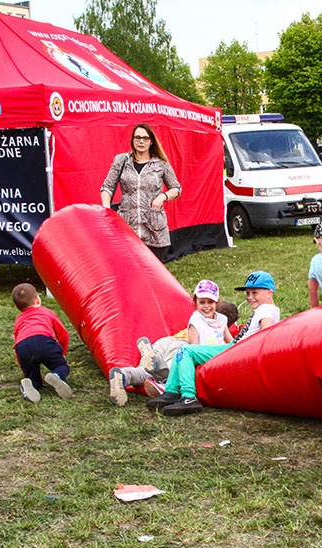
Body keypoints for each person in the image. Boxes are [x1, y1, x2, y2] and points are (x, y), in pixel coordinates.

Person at [149, 271, 281, 417]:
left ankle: (187, 396)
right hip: (237, 348)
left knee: (185, 351)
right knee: (183, 351)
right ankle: (171, 392)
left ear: (269, 293)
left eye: (254, 293)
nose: (249, 297)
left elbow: (267, 333)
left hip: (238, 351)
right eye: (248, 293)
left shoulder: (264, 309)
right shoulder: (272, 309)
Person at [107, 282, 237, 406]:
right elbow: (194, 349)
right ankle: (161, 379)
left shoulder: (207, 320)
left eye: (210, 302)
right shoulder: (200, 322)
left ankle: (123, 375)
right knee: (171, 370)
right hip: (180, 346)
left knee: (145, 370)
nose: (206, 306)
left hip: (165, 341)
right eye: (203, 302)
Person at [100, 124, 182, 262]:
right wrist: (106, 210)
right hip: (127, 226)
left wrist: (163, 196)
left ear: (151, 141)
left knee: (153, 275)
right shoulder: (121, 161)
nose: (141, 141)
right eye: (137, 137)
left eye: (145, 138)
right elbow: (107, 187)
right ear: (132, 140)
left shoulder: (161, 164)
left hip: (154, 230)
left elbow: (176, 188)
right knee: (129, 271)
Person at [12, 283, 73, 403]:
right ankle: (55, 376)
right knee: (61, 367)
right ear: (37, 299)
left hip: (23, 347)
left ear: (16, 306)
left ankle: (30, 384)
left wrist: (23, 365)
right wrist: (62, 352)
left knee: (33, 377)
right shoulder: (47, 312)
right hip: (44, 341)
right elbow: (63, 335)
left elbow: (17, 343)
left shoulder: (19, 319)